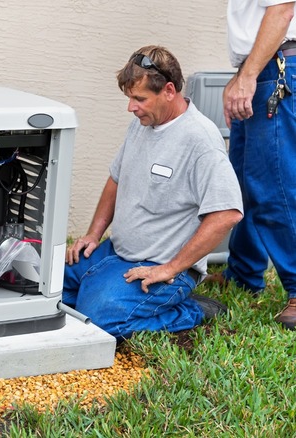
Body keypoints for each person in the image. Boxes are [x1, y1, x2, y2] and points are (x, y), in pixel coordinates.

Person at [64, 45, 244, 341]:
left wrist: (171, 268)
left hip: (161, 267)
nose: (131, 107)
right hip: (115, 252)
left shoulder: (200, 140)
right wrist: (93, 234)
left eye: (139, 99)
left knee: (98, 322)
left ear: (169, 91)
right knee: (49, 288)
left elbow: (227, 214)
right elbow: (115, 179)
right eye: (130, 98)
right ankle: (101, 285)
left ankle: (192, 311)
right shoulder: (142, 124)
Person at [208, 1, 296, 330]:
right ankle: (244, 272)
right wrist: (244, 76)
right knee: (244, 180)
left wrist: (247, 77)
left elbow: (282, 11)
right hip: (264, 67)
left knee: (274, 184)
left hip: (275, 69)